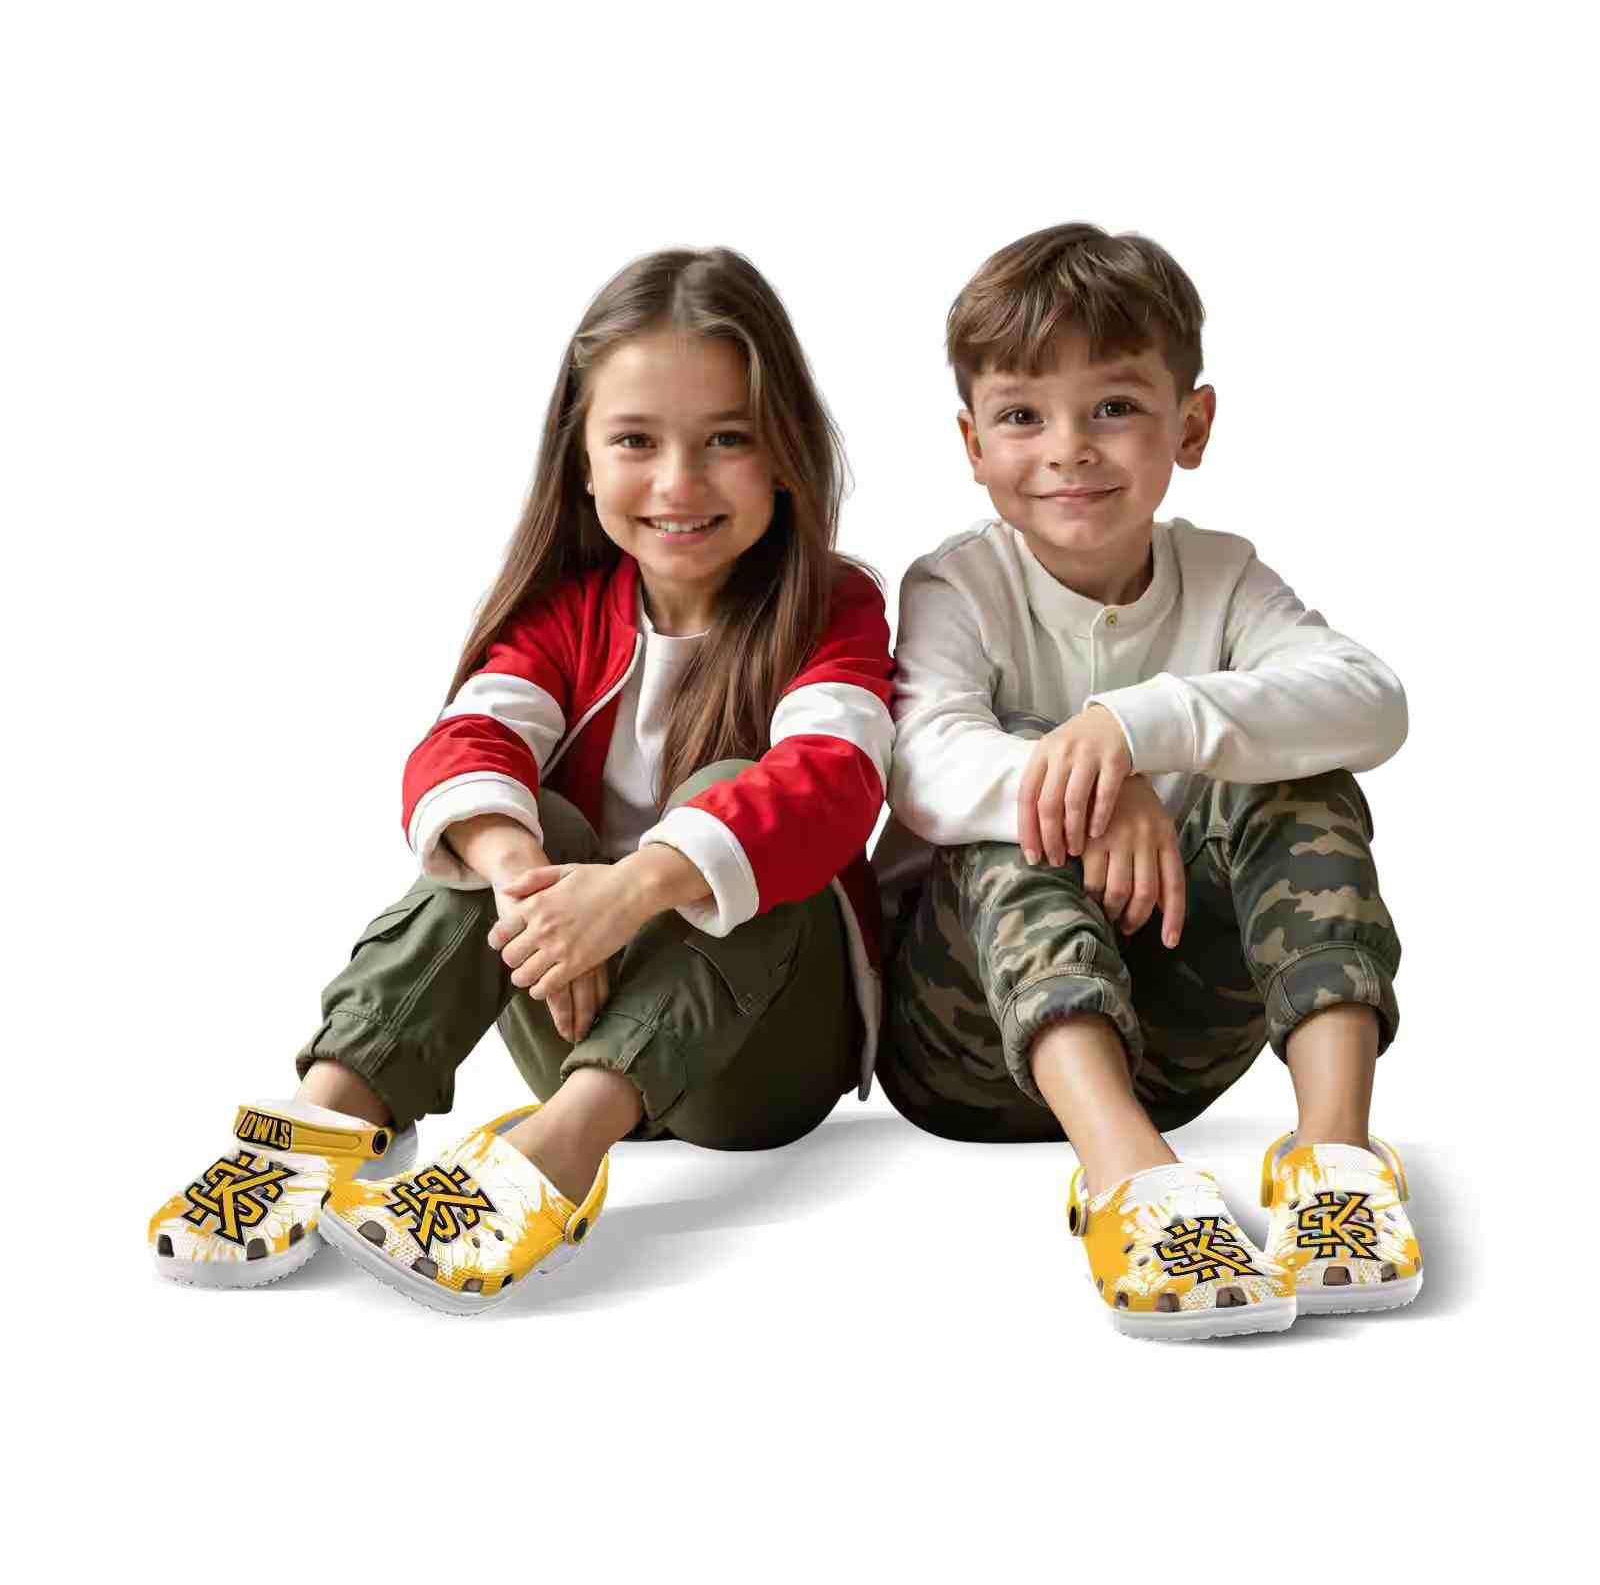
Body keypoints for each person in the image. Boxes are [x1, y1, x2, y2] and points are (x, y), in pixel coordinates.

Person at [148, 248, 894, 1312]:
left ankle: (559, 1151)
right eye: (636, 441)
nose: (678, 483)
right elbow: (465, 742)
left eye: (727, 439)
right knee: (511, 818)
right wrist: (520, 878)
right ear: (580, 459)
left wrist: (631, 890)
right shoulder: (562, 614)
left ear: (786, 452)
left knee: (744, 796)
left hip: (761, 1068)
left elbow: (836, 776)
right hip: (577, 1010)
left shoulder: (834, 606)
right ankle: (339, 1104)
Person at [872, 222, 1419, 1340]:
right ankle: (1129, 1177)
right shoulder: (959, 584)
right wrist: (1092, 777)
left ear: (1192, 426)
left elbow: (1372, 700)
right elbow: (922, 765)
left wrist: (1139, 725)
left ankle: (1335, 1157)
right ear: (972, 443)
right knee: (1018, 803)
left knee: (1301, 777)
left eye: (1113, 407)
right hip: (967, 1049)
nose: (1069, 449)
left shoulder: (1224, 576)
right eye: (1023, 417)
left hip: (1177, 1043)